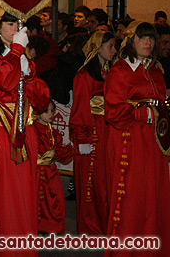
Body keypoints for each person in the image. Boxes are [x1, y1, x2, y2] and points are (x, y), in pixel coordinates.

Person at [0, 8, 50, 256]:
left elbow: (41, 101)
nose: (17, 29)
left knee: (26, 192)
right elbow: (3, 81)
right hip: (2, 134)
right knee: (4, 193)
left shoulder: (24, 59)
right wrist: (17, 52)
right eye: (10, 24)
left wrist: (30, 75)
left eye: (19, 24)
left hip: (25, 132)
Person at [104, 21, 170, 256]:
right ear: (131, 40)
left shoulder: (156, 69)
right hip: (129, 141)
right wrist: (144, 113)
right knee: (132, 198)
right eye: (143, 38)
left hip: (154, 143)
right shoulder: (120, 70)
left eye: (151, 38)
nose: (148, 43)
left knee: (154, 195)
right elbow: (113, 112)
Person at [70, 31, 117, 235]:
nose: (114, 51)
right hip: (93, 130)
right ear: (98, 47)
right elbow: (79, 109)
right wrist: (82, 138)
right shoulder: (83, 75)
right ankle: (92, 228)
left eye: (115, 47)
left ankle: (108, 224)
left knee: (110, 179)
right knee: (93, 181)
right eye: (110, 47)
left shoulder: (114, 72)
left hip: (110, 129)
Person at [35, 100, 74, 234]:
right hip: (37, 173)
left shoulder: (53, 131)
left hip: (51, 172)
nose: (50, 114)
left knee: (54, 200)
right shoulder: (34, 130)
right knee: (39, 200)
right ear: (38, 113)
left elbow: (60, 153)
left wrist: (73, 149)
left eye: (52, 111)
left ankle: (50, 228)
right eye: (46, 111)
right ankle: (39, 226)